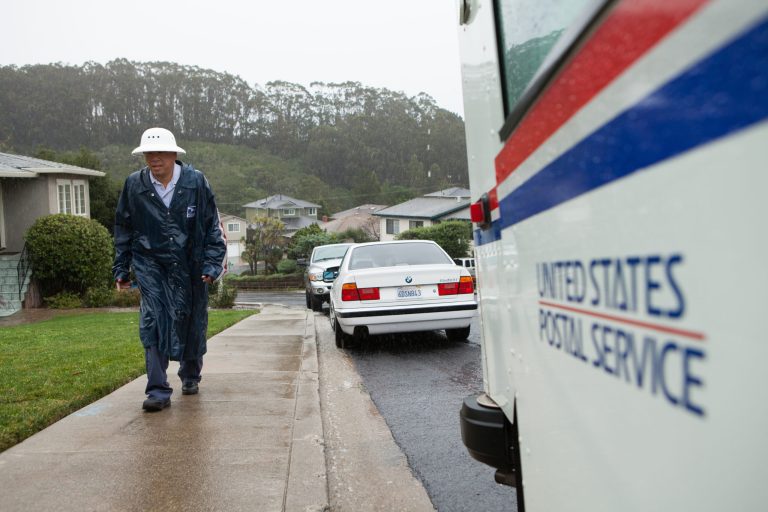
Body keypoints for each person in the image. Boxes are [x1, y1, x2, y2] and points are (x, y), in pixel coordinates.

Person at [113, 127, 226, 412]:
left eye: (160, 152)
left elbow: (212, 226)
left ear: (174, 154)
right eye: (149, 153)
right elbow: (123, 228)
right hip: (151, 264)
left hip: (191, 264)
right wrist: (121, 268)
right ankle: (157, 390)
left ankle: (190, 374)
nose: (154, 158)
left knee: (191, 320)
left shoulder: (196, 182)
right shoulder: (134, 185)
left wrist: (212, 264)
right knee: (154, 319)